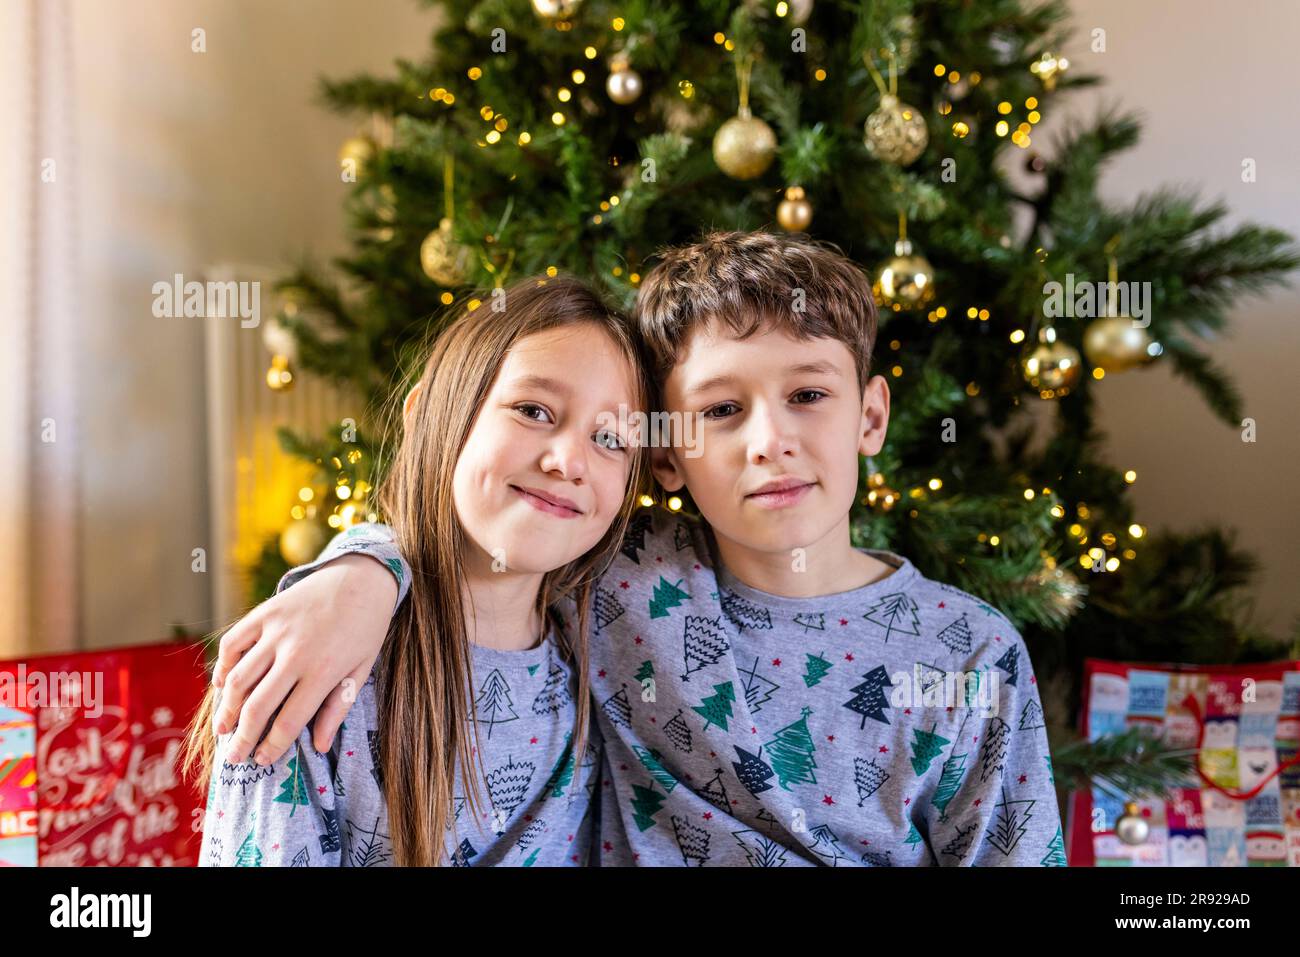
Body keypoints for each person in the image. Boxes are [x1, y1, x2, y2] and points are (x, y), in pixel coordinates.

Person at [211, 230, 1064, 866]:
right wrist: (359, 571)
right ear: (666, 457)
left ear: (871, 415)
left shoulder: (974, 654)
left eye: (808, 393)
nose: (769, 440)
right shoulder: (623, 581)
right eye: (722, 411)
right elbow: (480, 519)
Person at [182, 275, 650, 865]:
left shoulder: (608, 650)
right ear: (428, 410)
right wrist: (368, 562)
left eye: (611, 438)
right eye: (533, 410)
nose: (568, 461)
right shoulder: (319, 664)